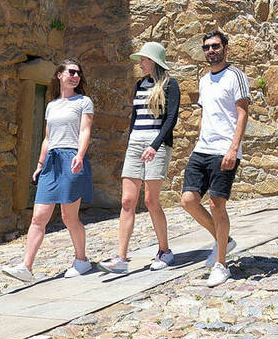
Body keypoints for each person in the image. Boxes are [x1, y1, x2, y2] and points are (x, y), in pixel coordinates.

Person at [1, 59, 95, 282]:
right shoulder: (51, 106)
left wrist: (80, 156)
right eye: (71, 72)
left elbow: (85, 131)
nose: (76, 76)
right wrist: (40, 165)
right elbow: (47, 138)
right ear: (60, 75)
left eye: (78, 73)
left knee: (68, 217)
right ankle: (26, 267)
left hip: (71, 158)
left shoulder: (84, 102)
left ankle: (81, 260)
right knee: (38, 217)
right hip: (51, 162)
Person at [96, 41, 181, 273]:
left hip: (157, 145)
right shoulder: (139, 85)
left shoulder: (170, 85)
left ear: (153, 61)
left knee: (151, 201)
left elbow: (171, 119)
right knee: (127, 201)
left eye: (143, 59)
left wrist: (154, 145)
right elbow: (134, 117)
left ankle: (165, 251)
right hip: (135, 144)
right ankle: (121, 258)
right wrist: (131, 142)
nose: (140, 63)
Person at [180, 29, 251, 288]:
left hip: (225, 149)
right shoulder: (203, 81)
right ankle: (224, 240)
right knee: (188, 200)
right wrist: (198, 141)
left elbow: (242, 114)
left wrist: (233, 149)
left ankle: (221, 265)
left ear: (225, 49)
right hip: (203, 149)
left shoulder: (236, 76)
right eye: (207, 47)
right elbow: (206, 115)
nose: (211, 51)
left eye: (216, 46)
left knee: (216, 204)